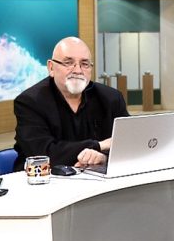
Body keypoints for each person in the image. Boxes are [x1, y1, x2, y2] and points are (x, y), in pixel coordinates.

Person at [13, 37, 129, 171]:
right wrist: (99, 145)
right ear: (51, 68)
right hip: (43, 179)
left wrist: (104, 158)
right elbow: (43, 155)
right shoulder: (30, 102)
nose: (78, 70)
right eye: (68, 63)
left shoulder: (111, 98)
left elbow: (130, 142)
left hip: (99, 176)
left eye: (85, 64)